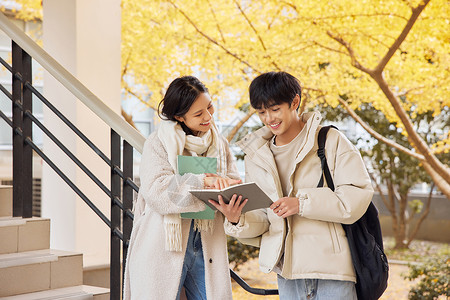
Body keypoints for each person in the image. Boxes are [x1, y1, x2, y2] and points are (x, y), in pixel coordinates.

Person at [210, 71, 374, 299]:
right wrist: (237, 217)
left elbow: (357, 197)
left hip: (332, 270)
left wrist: (301, 204)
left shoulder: (330, 141)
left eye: (275, 109)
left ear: (295, 102)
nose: (269, 118)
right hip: (286, 272)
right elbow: (266, 219)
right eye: (261, 112)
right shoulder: (256, 155)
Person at [123, 76, 241, 300]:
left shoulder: (220, 143)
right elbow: (157, 192)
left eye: (209, 106)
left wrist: (232, 210)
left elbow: (233, 181)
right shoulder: (157, 143)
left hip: (207, 242)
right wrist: (203, 181)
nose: (208, 116)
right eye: (198, 114)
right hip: (164, 243)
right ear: (179, 116)